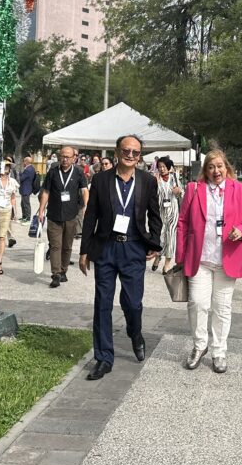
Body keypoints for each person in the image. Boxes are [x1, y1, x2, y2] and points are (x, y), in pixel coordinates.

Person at [79, 135, 162, 380]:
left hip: (134, 248)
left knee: (133, 303)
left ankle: (135, 333)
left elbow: (154, 215)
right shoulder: (101, 179)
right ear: (117, 152)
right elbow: (91, 215)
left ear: (140, 156)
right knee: (102, 303)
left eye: (135, 152)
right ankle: (104, 358)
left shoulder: (147, 181)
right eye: (126, 150)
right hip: (106, 247)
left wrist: (154, 242)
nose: (130, 155)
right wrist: (84, 250)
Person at [175, 149, 242, 374]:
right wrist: (180, 255)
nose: (216, 171)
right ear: (206, 170)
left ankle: (219, 351)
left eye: (219, 166)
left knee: (222, 308)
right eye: (211, 167)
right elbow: (182, 223)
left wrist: (241, 230)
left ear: (226, 167)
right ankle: (199, 345)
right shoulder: (194, 189)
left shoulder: (238, 189)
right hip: (200, 258)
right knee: (197, 303)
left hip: (226, 259)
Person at [37, 146, 89, 288]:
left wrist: (86, 207)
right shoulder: (53, 172)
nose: (65, 159)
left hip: (71, 215)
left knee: (67, 246)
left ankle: (63, 270)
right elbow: (46, 192)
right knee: (55, 245)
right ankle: (56, 274)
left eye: (68, 157)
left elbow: (84, 190)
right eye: (62, 156)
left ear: (74, 158)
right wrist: (41, 210)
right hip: (53, 215)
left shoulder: (78, 172)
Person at [152, 157, 183, 273]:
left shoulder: (174, 178)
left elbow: (181, 193)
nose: (161, 169)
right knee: (160, 236)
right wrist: (155, 184)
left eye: (164, 166)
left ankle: (167, 264)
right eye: (159, 167)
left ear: (168, 167)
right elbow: (152, 195)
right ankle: (158, 256)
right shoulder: (155, 179)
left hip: (173, 212)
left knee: (171, 237)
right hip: (160, 211)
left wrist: (179, 191)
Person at [0, 156, 20, 275]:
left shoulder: (13, 182)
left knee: (2, 237)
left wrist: (14, 211)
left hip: (6, 210)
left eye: (8, 166)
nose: (6, 168)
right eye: (4, 166)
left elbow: (13, 198)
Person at [17, 156, 37, 223]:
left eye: (23, 161)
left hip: (26, 189)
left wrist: (19, 173)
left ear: (26, 162)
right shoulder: (32, 168)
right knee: (23, 203)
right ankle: (24, 217)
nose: (23, 163)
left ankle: (27, 218)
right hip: (27, 188)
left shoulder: (28, 170)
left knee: (26, 204)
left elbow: (21, 178)